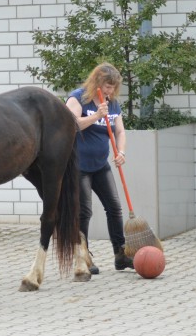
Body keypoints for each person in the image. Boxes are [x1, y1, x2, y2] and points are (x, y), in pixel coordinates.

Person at [65, 62, 134, 274]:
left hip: (101, 164)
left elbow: (120, 131)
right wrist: (96, 116)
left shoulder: (112, 104)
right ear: (97, 82)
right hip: (79, 165)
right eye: (107, 86)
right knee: (84, 211)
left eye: (113, 87)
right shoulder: (78, 98)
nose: (110, 91)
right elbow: (71, 124)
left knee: (114, 207)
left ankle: (120, 254)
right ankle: (84, 257)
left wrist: (121, 152)